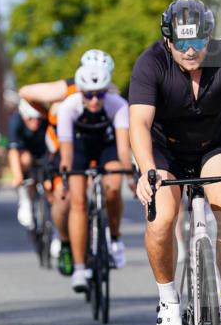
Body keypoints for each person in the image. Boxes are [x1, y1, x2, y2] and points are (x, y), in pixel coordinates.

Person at [130, 0, 221, 325]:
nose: (190, 50)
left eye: (198, 41)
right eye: (182, 42)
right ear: (168, 40)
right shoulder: (150, 63)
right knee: (162, 219)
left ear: (209, 37)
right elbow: (139, 123)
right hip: (164, 151)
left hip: (213, 145)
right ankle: (168, 300)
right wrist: (147, 170)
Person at [18, 49, 117, 276]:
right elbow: (25, 92)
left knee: (110, 187)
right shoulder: (68, 89)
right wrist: (49, 111)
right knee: (64, 199)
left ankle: (108, 238)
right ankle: (64, 240)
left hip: (97, 147)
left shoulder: (111, 94)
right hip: (65, 148)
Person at [56, 63, 134, 292]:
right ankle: (80, 268)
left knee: (114, 186)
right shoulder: (68, 107)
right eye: (88, 95)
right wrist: (65, 176)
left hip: (106, 146)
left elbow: (123, 149)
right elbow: (66, 152)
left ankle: (115, 238)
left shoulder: (118, 104)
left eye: (99, 94)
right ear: (80, 92)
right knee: (78, 202)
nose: (94, 100)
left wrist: (129, 175)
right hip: (79, 147)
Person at [8, 99, 50, 229]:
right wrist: (18, 176)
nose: (35, 122)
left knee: (50, 186)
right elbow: (13, 151)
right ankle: (25, 198)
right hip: (26, 152)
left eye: (38, 118)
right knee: (25, 159)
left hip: (44, 152)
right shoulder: (16, 121)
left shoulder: (46, 120)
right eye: (31, 118)